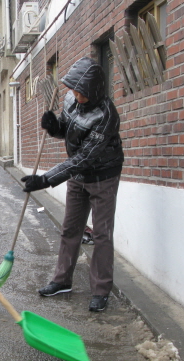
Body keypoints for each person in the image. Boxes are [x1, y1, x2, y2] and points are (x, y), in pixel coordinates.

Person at [20, 57, 123, 312]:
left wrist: (45, 179)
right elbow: (68, 131)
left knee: (101, 235)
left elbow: (85, 156)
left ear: (95, 90)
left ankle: (100, 290)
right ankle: (61, 280)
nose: (76, 95)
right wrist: (55, 127)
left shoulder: (106, 116)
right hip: (78, 176)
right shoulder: (70, 100)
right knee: (70, 229)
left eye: (81, 92)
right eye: (74, 90)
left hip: (103, 177)